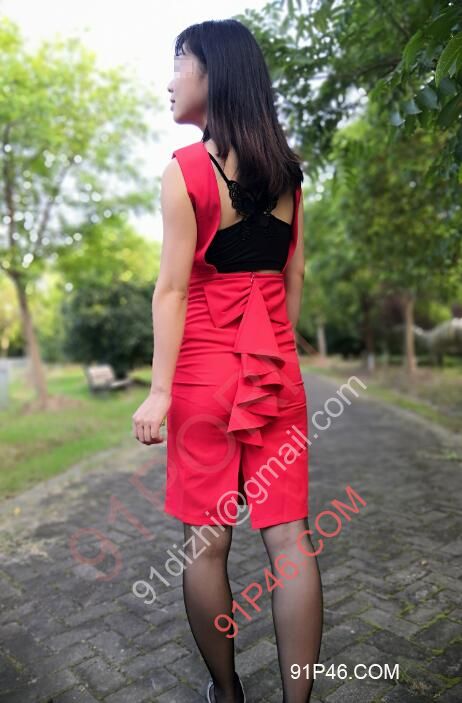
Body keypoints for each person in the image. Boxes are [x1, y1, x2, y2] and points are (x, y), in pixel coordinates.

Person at [132, 19, 323, 703]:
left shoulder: (186, 171)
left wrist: (159, 390)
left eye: (179, 63)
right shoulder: (288, 176)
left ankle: (227, 692)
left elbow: (172, 289)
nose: (169, 81)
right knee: (291, 541)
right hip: (276, 373)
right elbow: (293, 278)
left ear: (213, 74)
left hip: (202, 376)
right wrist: (275, 353)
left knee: (206, 545)